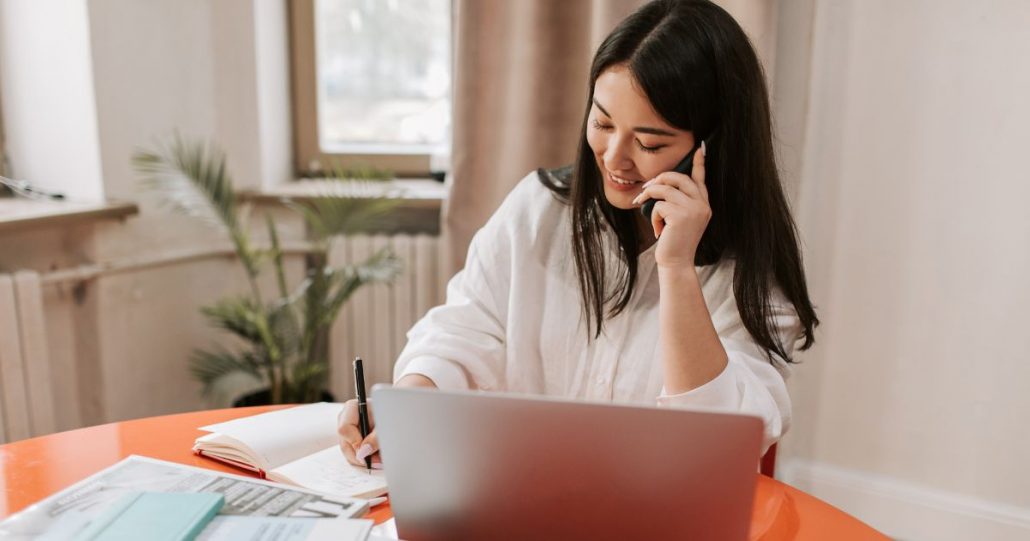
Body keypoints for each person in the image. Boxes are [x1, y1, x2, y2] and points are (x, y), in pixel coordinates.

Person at [338, 0, 818, 469]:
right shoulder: (539, 209)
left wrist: (676, 270)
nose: (613, 157)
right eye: (603, 122)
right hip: (521, 499)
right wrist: (410, 405)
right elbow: (464, 329)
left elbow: (716, 445)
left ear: (712, 148)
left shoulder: (752, 271)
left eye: (649, 142)